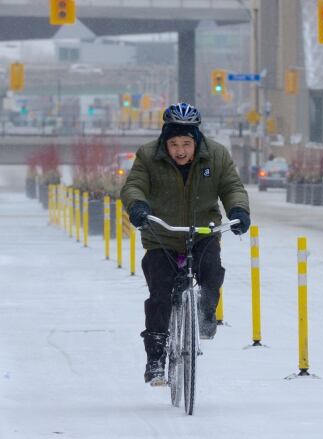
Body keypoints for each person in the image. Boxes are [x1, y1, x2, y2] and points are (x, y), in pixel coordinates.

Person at [120, 102, 251, 385]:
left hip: (203, 231)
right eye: (174, 143)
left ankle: (205, 316)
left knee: (212, 272)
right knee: (159, 296)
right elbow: (134, 186)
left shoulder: (216, 156)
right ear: (165, 141)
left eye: (186, 143)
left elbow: (231, 187)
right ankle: (155, 358)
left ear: (197, 140)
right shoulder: (147, 156)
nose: (180, 150)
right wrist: (138, 207)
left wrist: (238, 211)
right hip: (161, 235)